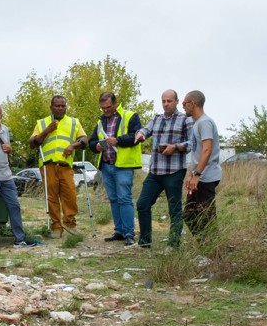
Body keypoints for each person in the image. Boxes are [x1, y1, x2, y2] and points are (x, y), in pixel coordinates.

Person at [0, 103, 41, 251]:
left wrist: (9, 149)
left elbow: (6, 150)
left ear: (1, 116)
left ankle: (20, 239)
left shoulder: (5, 130)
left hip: (6, 176)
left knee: (14, 206)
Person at [132, 89, 191, 248]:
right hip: (155, 171)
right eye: (163, 101)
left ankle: (173, 245)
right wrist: (140, 134)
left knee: (174, 209)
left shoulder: (185, 119)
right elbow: (145, 129)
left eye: (169, 101)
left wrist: (175, 147)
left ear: (177, 101)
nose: (166, 104)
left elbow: (193, 143)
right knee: (142, 204)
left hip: (174, 171)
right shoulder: (156, 118)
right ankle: (145, 242)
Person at [88, 91, 143, 245]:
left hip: (123, 166)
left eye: (108, 107)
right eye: (103, 108)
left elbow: (136, 136)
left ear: (115, 103)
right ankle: (119, 231)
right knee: (113, 199)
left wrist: (117, 140)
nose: (106, 111)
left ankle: (128, 233)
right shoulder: (100, 122)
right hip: (106, 165)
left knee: (124, 198)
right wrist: (97, 146)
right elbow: (92, 142)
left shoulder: (130, 116)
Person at [28, 94, 88, 236]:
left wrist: (73, 145)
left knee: (70, 195)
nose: (60, 108)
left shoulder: (74, 122)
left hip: (66, 165)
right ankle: (56, 227)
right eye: (57, 106)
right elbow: (32, 144)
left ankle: (70, 224)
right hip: (47, 165)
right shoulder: (42, 123)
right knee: (52, 197)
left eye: (63, 106)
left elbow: (85, 139)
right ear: (51, 107)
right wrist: (46, 131)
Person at [182, 90, 221, 235]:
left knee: (207, 218)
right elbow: (197, 153)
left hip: (206, 177)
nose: (183, 107)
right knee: (189, 215)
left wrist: (197, 174)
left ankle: (213, 255)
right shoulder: (197, 123)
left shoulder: (205, 122)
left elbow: (207, 150)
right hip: (198, 177)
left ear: (193, 103)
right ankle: (206, 249)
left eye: (184, 103)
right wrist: (192, 175)